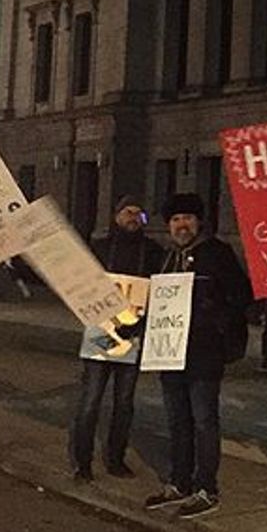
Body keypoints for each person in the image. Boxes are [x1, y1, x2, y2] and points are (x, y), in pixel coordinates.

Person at [144, 192, 253, 520]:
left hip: (205, 352)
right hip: (170, 353)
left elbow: (242, 295)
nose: (182, 225)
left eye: (188, 219)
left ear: (199, 222)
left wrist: (216, 312)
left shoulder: (218, 254)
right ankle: (180, 482)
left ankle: (207, 487)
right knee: (177, 419)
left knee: (204, 420)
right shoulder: (165, 259)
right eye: (176, 220)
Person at [68, 195, 164, 481]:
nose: (133, 217)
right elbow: (78, 284)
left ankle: (116, 459)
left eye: (139, 213)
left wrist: (138, 325)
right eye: (128, 212)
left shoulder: (153, 252)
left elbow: (159, 293)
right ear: (116, 216)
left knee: (124, 403)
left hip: (132, 338)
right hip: (99, 336)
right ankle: (82, 462)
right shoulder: (99, 249)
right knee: (90, 402)